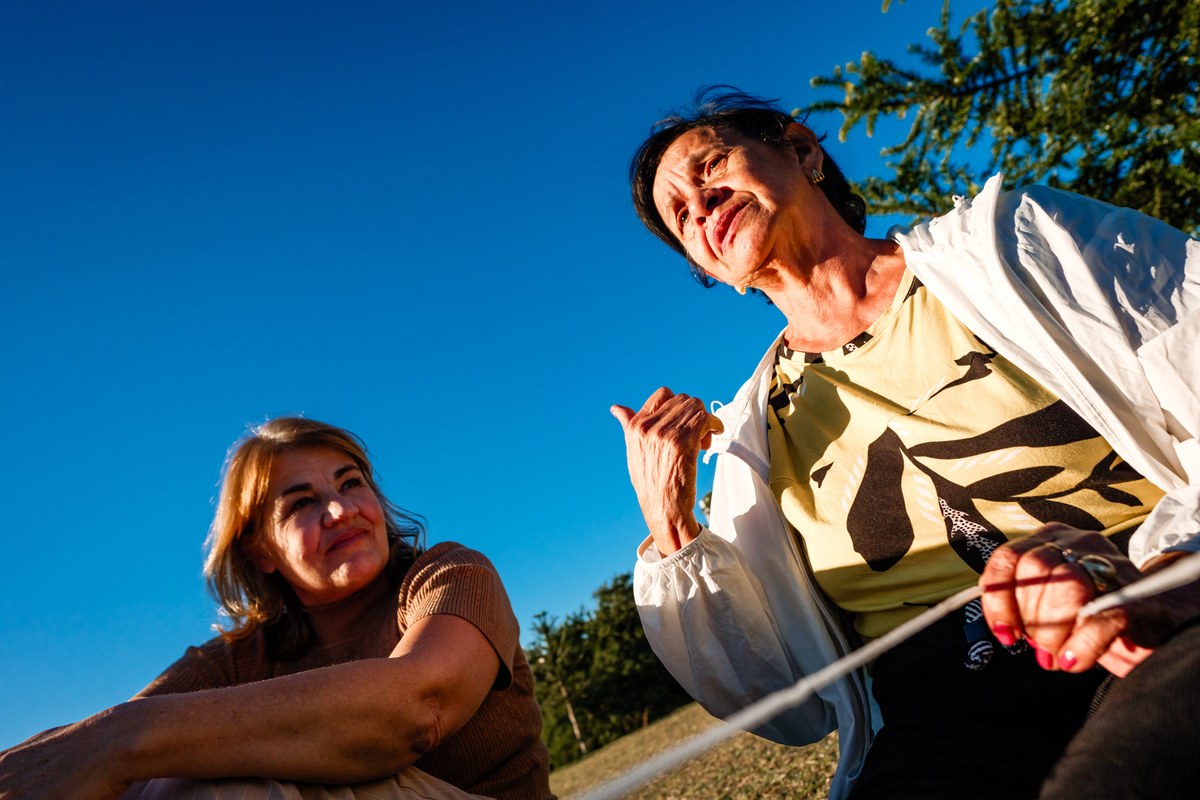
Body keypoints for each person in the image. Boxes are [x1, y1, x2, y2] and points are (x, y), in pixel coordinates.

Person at [612, 88, 1200, 800]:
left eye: (711, 169)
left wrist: (1165, 576)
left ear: (802, 151)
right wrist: (671, 523)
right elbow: (784, 700)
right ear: (709, 269)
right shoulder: (750, 441)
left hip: (1153, 619)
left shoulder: (1008, 248)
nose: (701, 206)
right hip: (947, 724)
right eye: (682, 215)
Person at [0, 417, 552, 800]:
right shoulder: (236, 662)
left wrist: (122, 738)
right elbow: (75, 763)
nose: (341, 510)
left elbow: (419, 706)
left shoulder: (449, 575)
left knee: (216, 785)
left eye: (351, 483)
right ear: (259, 550)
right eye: (303, 504)